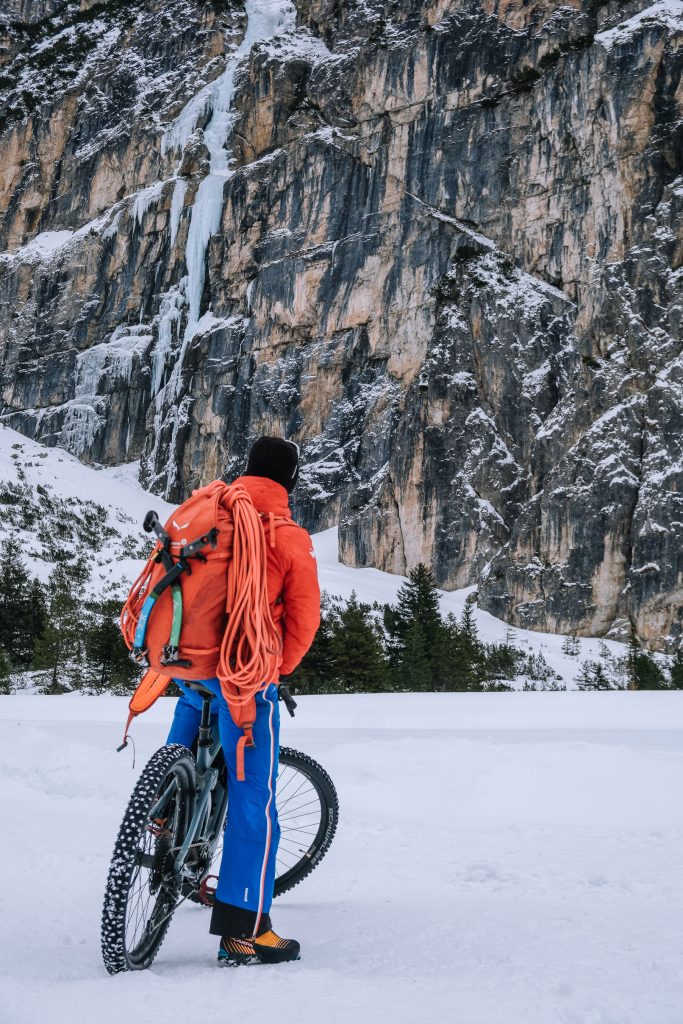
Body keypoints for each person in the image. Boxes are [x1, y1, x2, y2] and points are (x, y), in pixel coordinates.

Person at [166, 436, 321, 966]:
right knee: (255, 801)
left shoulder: (208, 511)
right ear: (290, 481)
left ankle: (166, 814)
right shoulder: (287, 536)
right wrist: (274, 673)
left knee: (189, 720)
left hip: (190, 668)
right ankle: (243, 931)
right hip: (245, 682)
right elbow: (303, 622)